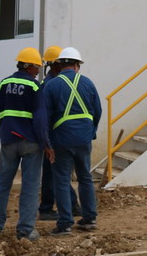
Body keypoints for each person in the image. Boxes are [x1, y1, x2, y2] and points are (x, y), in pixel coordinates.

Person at [0, 46, 48, 241]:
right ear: (28, 66)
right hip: (31, 144)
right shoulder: (35, 87)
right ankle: (26, 230)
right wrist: (46, 143)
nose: (37, 71)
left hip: (9, 141)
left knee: (3, 185)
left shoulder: (4, 83)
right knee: (30, 186)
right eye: (36, 67)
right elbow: (40, 119)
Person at [41, 46, 101, 234]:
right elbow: (97, 111)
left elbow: (44, 118)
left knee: (61, 179)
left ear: (60, 65)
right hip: (84, 138)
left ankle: (65, 224)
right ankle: (89, 219)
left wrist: (47, 143)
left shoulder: (51, 85)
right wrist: (91, 132)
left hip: (61, 139)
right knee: (85, 177)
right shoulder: (88, 83)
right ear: (77, 66)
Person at [37, 44, 80, 221]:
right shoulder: (50, 85)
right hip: (53, 136)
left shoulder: (52, 83)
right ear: (55, 65)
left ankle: (63, 205)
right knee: (53, 174)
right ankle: (49, 208)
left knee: (57, 173)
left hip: (57, 135)